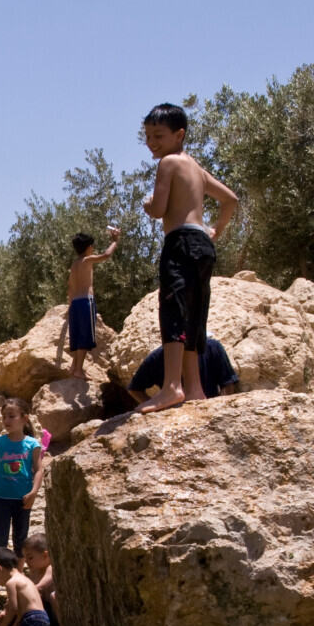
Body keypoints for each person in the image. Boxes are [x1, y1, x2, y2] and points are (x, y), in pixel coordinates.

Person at [136, 103, 239, 414]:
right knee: (195, 315)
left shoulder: (168, 163)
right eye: (148, 136)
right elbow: (230, 199)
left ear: (179, 135)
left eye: (159, 135)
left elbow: (158, 210)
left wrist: (148, 203)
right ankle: (194, 389)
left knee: (174, 311)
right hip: (202, 245)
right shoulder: (196, 167)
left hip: (179, 241)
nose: (153, 143)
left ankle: (171, 387)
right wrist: (215, 231)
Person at [0, 398, 45, 557]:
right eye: (4, 416)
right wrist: (1, 482)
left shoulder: (32, 444)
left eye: (11, 416)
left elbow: (39, 470)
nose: (7, 420)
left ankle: (18, 573)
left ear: (24, 418)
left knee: (21, 538)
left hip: (23, 498)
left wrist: (34, 492)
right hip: (0, 497)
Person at [66, 228, 119, 380]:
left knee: (76, 336)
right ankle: (79, 370)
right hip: (85, 301)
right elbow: (106, 255)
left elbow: (69, 286)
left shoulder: (74, 265)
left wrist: (70, 305)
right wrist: (114, 241)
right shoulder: (87, 260)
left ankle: (73, 367)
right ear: (89, 248)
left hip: (75, 303)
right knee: (85, 336)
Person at [127, 339, 240, 402]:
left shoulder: (212, 347)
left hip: (209, 405)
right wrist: (156, 411)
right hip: (175, 413)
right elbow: (135, 389)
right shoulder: (157, 357)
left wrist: (219, 406)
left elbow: (228, 383)